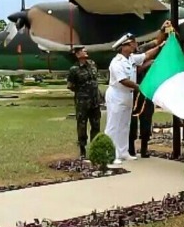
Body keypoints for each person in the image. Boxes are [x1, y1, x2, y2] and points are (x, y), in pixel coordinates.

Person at [105, 23, 169, 166]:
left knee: (125, 125)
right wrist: (139, 87)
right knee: (114, 125)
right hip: (117, 94)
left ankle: (123, 152)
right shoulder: (116, 62)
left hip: (127, 95)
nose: (134, 45)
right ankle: (111, 153)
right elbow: (123, 80)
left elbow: (146, 55)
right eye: (131, 43)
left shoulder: (131, 59)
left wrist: (160, 46)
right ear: (124, 46)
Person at [66, 46, 104, 160]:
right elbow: (70, 86)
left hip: (95, 101)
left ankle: (95, 148)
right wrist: (82, 92)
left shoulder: (92, 64)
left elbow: (95, 80)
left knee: (96, 125)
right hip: (82, 102)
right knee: (82, 125)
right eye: (82, 50)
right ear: (77, 55)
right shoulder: (74, 69)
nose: (85, 51)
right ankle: (82, 149)